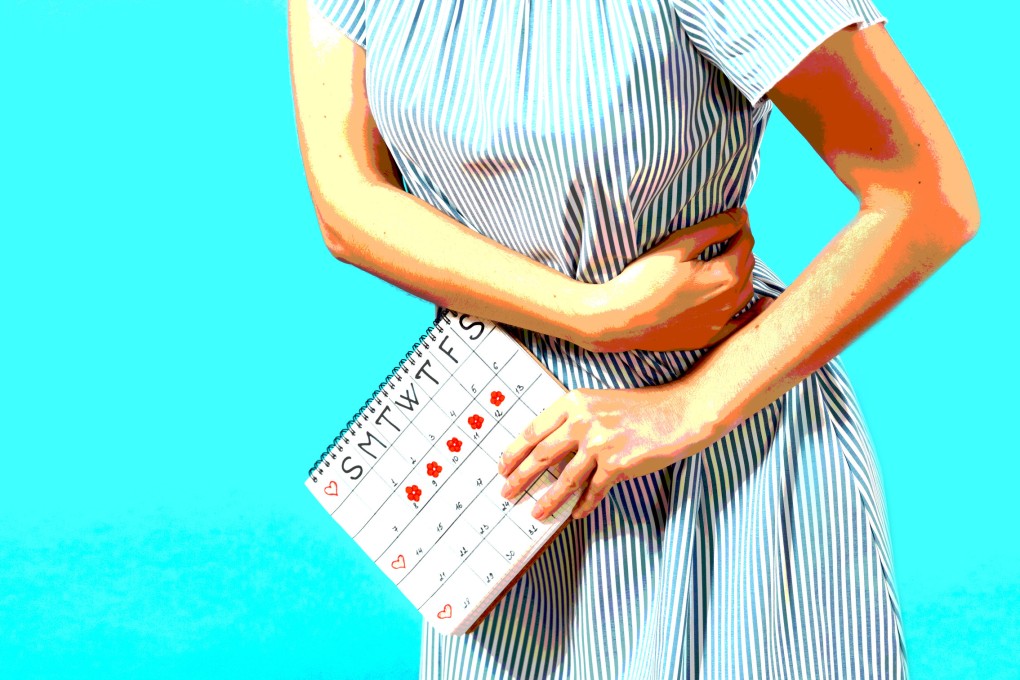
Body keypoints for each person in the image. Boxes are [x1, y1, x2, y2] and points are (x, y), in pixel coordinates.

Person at [289, 0, 979, 677]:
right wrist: (594, 314)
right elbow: (348, 202)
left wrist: (685, 410)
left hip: (728, 459)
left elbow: (925, 197)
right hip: (509, 463)